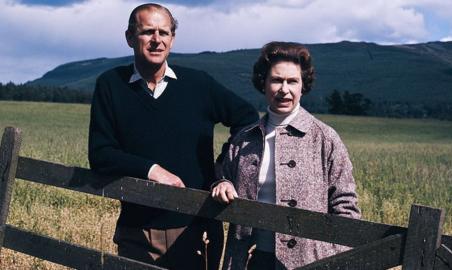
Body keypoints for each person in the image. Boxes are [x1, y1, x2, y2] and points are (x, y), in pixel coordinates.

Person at [88, 3, 258, 269]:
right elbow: (100, 154)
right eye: (147, 32)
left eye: (164, 32)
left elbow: (247, 119)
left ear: (172, 38)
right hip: (138, 229)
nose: (157, 40)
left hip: (197, 228)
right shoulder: (111, 85)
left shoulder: (198, 84)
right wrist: (152, 170)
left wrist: (222, 169)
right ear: (130, 37)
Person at [212, 41, 361, 270]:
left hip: (308, 263)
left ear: (303, 85)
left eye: (292, 81)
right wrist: (222, 182)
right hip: (248, 261)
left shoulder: (325, 139)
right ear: (263, 83)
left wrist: (328, 261)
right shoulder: (244, 138)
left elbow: (347, 210)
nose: (284, 89)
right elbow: (222, 175)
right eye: (276, 80)